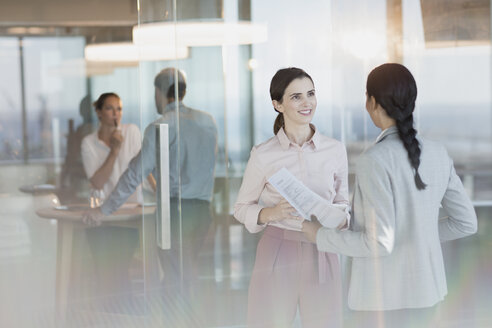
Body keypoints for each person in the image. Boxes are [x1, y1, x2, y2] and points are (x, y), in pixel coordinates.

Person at [302, 63, 478, 328]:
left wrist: (319, 235)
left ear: (372, 102)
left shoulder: (375, 160)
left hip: (382, 303)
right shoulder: (438, 152)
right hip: (429, 295)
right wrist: (417, 232)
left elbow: (378, 244)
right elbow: (466, 223)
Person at [82, 68, 218, 299]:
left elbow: (135, 174)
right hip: (204, 212)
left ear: (159, 92)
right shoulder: (208, 121)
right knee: (186, 279)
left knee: (176, 282)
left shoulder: (162, 126)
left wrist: (104, 209)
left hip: (175, 214)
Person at [234, 67, 349, 328]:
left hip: (323, 247)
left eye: (310, 94)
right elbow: (241, 208)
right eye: (296, 97)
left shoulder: (334, 150)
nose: (306, 102)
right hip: (277, 249)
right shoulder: (263, 154)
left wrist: (340, 218)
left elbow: (343, 202)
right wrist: (271, 213)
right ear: (278, 105)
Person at [80, 92, 142, 306]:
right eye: (109, 108)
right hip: (102, 217)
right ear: (98, 112)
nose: (116, 113)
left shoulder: (132, 132)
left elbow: (145, 169)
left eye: (119, 108)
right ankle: (107, 314)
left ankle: (124, 313)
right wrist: (114, 151)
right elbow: (97, 182)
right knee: (104, 271)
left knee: (121, 268)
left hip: (129, 214)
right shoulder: (88, 143)